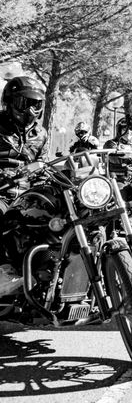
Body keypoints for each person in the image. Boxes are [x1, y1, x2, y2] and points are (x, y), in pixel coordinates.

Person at [0, 76, 47, 297]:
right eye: (24, 103)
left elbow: (44, 163)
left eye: (35, 103)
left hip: (29, 192)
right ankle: (5, 271)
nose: (30, 109)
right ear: (9, 103)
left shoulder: (41, 133)